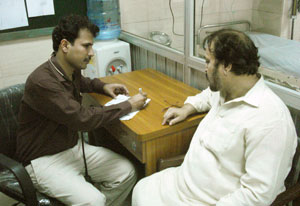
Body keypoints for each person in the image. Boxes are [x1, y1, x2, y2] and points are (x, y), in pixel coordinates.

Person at [132, 29, 298, 206]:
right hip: (182, 183)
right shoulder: (229, 91)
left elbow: (257, 195)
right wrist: (187, 108)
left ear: (226, 66)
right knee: (142, 189)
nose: (205, 68)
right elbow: (207, 96)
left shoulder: (270, 120)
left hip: (210, 201)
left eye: (208, 61)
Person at [15, 14, 147, 206]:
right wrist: (128, 104)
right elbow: (82, 119)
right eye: (86, 46)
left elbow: (82, 82)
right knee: (94, 201)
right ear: (65, 45)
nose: (91, 52)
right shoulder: (42, 81)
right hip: (42, 160)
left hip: (71, 148)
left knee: (126, 172)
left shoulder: (68, 68)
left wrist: (102, 86)